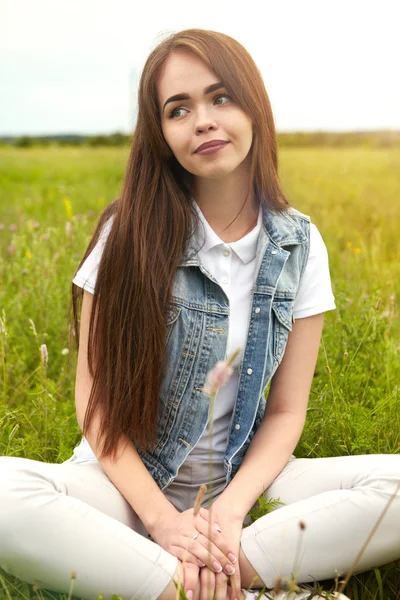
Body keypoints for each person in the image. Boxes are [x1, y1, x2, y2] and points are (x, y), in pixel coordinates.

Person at [0, 27, 399, 600]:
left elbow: (286, 414)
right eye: (178, 109)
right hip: (127, 489)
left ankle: (203, 572)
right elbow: (96, 407)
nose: (203, 120)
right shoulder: (127, 234)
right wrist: (164, 521)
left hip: (240, 481)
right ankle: (216, 583)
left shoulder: (299, 245)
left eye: (221, 97)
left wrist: (231, 513)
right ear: (161, 135)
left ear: (254, 106)